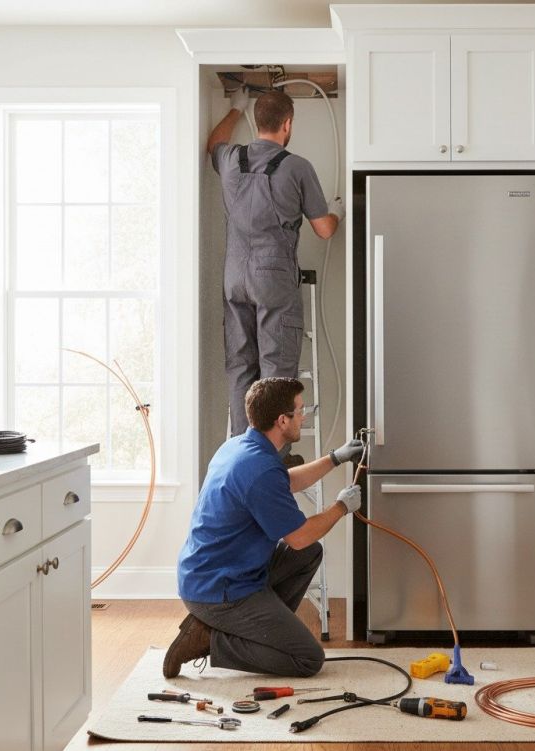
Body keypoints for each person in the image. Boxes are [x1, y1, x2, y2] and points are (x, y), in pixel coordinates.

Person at [164, 377, 362, 679]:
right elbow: (299, 536)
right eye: (299, 410)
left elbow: (288, 481)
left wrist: (335, 458)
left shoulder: (240, 447)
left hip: (217, 571)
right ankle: (210, 639)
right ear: (282, 420)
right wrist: (341, 507)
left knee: (309, 554)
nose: (303, 415)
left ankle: (261, 631)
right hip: (219, 589)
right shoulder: (259, 469)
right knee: (308, 659)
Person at [208, 87, 345, 437]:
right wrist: (338, 211)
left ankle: (244, 453)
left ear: (258, 122)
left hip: (235, 275)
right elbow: (325, 229)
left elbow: (214, 142)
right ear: (287, 124)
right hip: (273, 279)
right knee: (276, 373)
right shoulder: (296, 167)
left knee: (241, 367)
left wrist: (236, 107)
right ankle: (272, 459)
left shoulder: (230, 159)